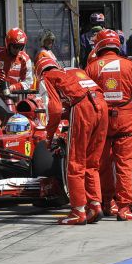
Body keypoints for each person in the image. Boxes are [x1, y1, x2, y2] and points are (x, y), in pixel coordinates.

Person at [35, 56, 108, 225]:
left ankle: (78, 211)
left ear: (40, 72)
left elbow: (53, 109)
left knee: (75, 162)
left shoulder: (47, 78)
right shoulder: (75, 71)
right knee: (92, 163)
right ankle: (95, 205)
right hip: (102, 105)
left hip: (83, 107)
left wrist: (50, 135)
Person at [85, 30, 132, 221]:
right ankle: (124, 208)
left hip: (101, 121)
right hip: (125, 121)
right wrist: (131, 114)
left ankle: (105, 202)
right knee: (125, 165)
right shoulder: (131, 66)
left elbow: (86, 99)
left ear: (100, 46)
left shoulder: (91, 68)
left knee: (100, 165)